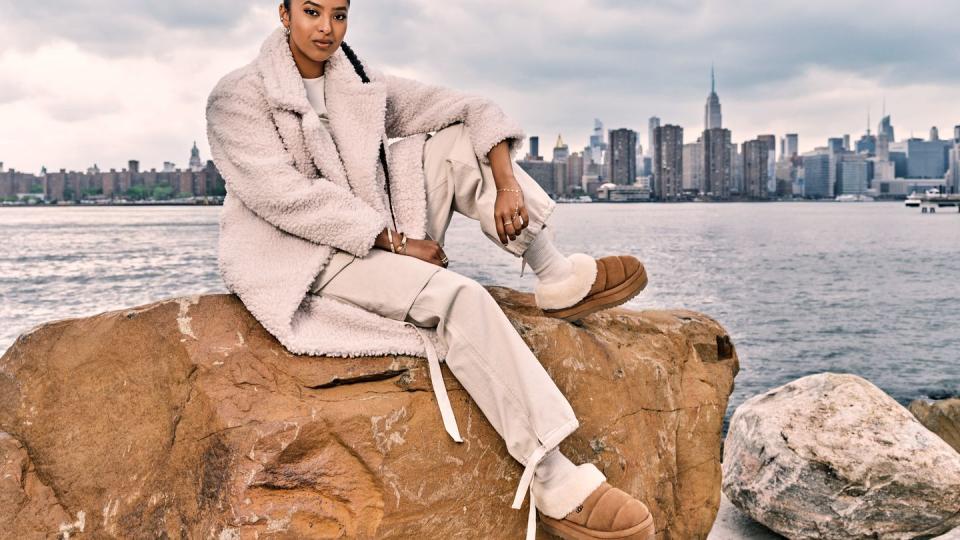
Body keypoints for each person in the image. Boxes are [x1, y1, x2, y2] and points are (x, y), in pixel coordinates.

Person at [205, 1, 654, 538]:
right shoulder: (239, 96)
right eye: (311, 11)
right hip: (307, 258)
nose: (327, 28)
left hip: (379, 236)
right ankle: (553, 476)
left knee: (457, 142)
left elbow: (467, 107)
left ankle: (553, 273)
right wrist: (394, 242)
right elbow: (283, 196)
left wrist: (506, 182)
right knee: (457, 297)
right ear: (283, 14)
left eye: (339, 14)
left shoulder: (357, 79)